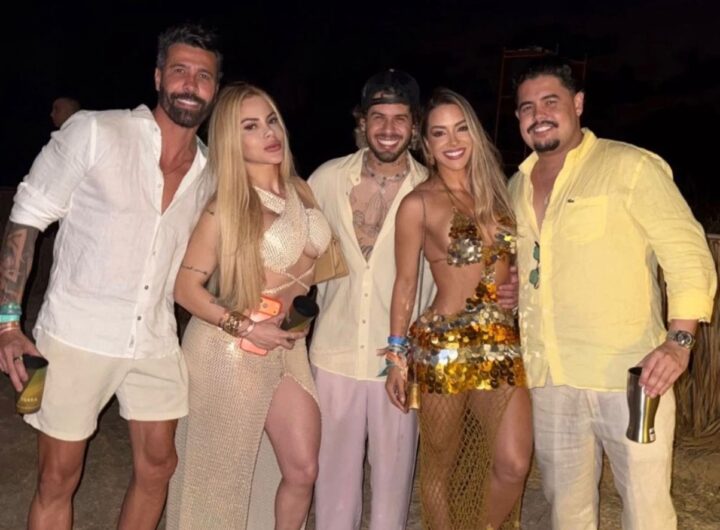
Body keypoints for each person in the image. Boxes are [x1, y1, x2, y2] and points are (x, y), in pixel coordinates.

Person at [0, 23, 221, 530]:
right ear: (159, 76)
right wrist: (9, 323)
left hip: (154, 337)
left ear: (215, 89)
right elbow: (27, 219)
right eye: (180, 71)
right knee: (58, 477)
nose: (190, 84)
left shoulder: (210, 170)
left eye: (204, 76)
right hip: (78, 334)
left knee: (159, 466)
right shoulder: (96, 132)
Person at [508, 56, 717, 530]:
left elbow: (687, 254)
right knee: (566, 509)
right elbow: (536, 266)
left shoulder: (630, 166)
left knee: (646, 510)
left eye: (551, 101)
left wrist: (679, 342)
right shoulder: (516, 185)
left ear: (578, 104)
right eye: (527, 107)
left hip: (631, 376)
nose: (539, 114)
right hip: (551, 377)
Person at [165, 82, 330, 530]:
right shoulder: (227, 205)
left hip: (288, 347)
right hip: (230, 349)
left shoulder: (301, 190)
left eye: (271, 120)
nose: (268, 133)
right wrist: (246, 326)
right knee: (220, 479)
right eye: (250, 127)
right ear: (230, 140)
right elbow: (185, 287)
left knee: (303, 469)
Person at [384, 88, 532, 530]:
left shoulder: (500, 194)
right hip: (443, 347)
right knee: (439, 466)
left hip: (501, 343)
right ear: (426, 145)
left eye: (461, 128)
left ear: (475, 134)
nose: (452, 141)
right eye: (439, 133)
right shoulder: (418, 203)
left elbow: (513, 263)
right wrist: (396, 359)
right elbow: (405, 284)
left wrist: (516, 286)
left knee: (514, 462)